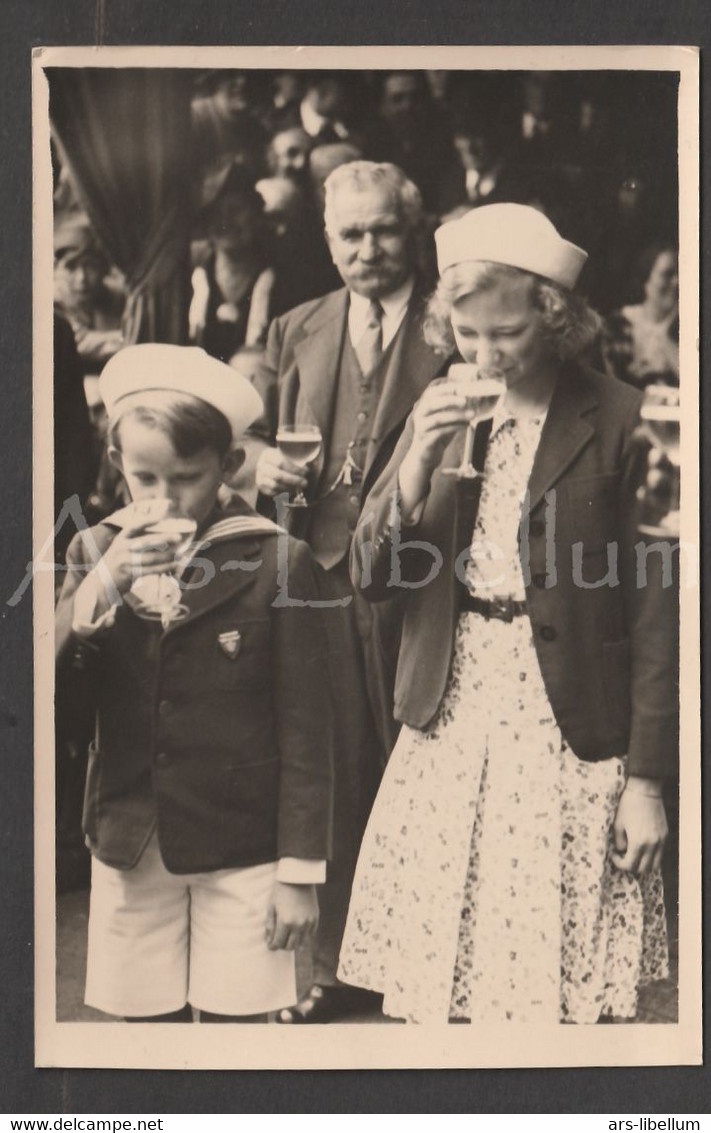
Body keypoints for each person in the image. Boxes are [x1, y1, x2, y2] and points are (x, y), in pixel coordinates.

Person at [340, 203, 677, 1024]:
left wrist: (645, 780)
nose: (484, 356)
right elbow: (369, 576)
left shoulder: (623, 420)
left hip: (568, 726)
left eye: (507, 334)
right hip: (450, 714)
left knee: (552, 985)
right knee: (443, 980)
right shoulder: (435, 408)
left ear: (554, 319)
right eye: (466, 334)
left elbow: (658, 619)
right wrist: (416, 462)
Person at [55, 344, 333, 1023]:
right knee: (146, 1034)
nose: (162, 499)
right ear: (116, 463)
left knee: (239, 1035)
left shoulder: (276, 558)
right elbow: (51, 701)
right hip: (130, 836)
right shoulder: (94, 551)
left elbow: (307, 727)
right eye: (144, 477)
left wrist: (299, 871)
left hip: (244, 843)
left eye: (185, 477)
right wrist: (102, 590)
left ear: (229, 466)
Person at [251, 160, 443, 1022]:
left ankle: (418, 962)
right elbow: (253, 445)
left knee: (414, 763)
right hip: (320, 574)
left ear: (414, 231)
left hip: (419, 574)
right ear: (328, 241)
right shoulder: (297, 326)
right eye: (350, 234)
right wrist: (261, 466)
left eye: (383, 229)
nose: (368, 249)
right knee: (327, 762)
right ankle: (335, 966)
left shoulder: (453, 323)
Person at [602, 243, 679, 389]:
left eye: (680, 274)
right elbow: (616, 384)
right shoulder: (619, 324)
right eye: (667, 274)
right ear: (646, 279)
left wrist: (664, 334)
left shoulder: (685, 329)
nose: (676, 282)